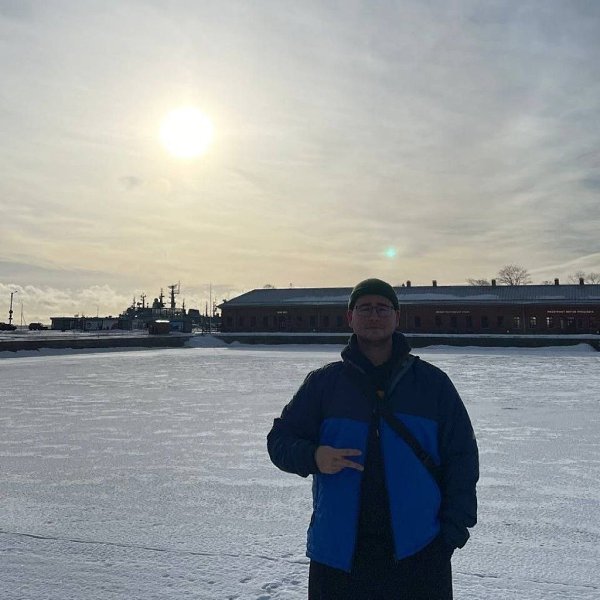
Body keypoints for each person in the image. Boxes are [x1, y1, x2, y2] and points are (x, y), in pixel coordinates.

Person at [267, 278, 479, 599]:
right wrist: (313, 456)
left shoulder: (432, 385)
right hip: (338, 558)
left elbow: (462, 458)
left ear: (397, 316)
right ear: (350, 317)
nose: (374, 315)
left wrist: (450, 535)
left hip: (420, 555)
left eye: (383, 308)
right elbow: (279, 441)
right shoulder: (324, 385)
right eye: (365, 308)